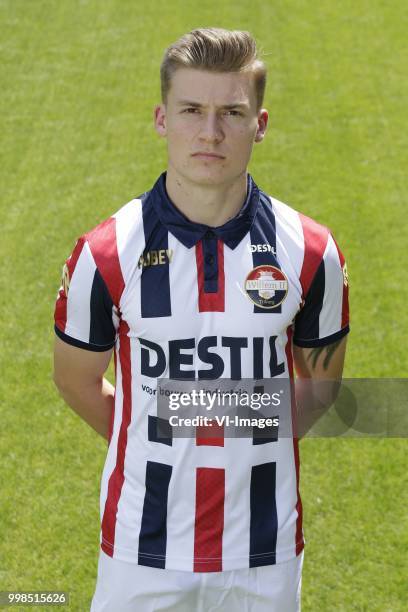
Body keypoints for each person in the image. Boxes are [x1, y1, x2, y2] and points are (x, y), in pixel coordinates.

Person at [53, 27, 349, 612]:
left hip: (265, 558)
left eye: (231, 113)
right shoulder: (106, 252)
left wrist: (195, 418)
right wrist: (153, 430)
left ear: (259, 125)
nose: (210, 132)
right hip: (142, 552)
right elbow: (76, 381)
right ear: (162, 119)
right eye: (192, 110)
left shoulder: (312, 253)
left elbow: (320, 388)